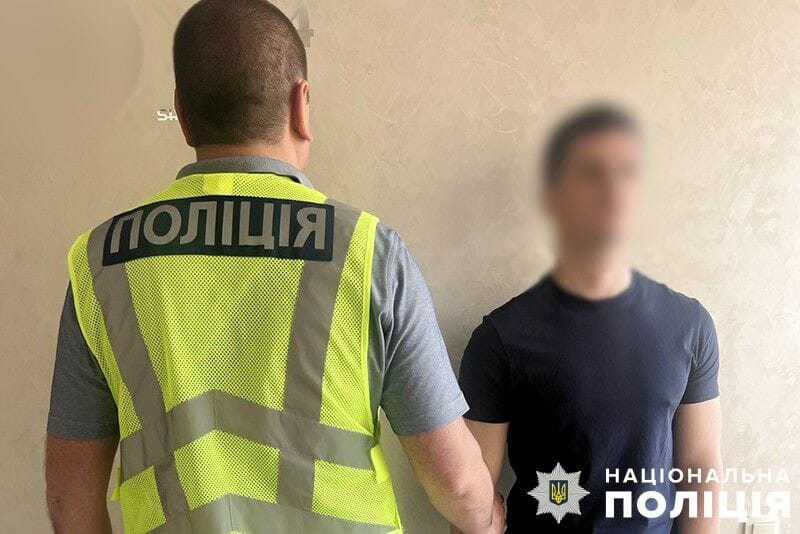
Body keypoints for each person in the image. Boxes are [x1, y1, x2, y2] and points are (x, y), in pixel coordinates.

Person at [44, 1, 502, 533]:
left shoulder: (104, 260)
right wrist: (488, 518)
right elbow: (456, 480)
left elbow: (69, 496)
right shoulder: (367, 251)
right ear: (301, 105)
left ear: (183, 116)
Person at [458, 105, 722, 533]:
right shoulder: (500, 339)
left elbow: (700, 469)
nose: (612, 191)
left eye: (628, 173)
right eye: (590, 173)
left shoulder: (689, 327)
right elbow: (471, 498)